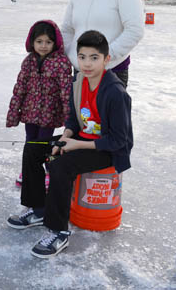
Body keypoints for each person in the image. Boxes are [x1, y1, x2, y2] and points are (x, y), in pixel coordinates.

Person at [7, 30, 133, 258]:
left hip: (107, 150)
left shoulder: (115, 93)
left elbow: (118, 140)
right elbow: (74, 119)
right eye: (82, 57)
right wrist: (66, 136)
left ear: (106, 59)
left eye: (94, 57)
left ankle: (59, 231)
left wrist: (75, 145)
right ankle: (38, 208)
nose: (87, 63)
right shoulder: (79, 82)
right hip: (82, 140)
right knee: (34, 148)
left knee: (60, 165)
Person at [6, 20, 72, 187]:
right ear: (32, 42)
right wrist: (14, 112)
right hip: (30, 111)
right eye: (39, 42)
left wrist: (69, 117)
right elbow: (20, 87)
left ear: (55, 43)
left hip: (49, 113)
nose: (43, 46)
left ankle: (50, 170)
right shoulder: (28, 62)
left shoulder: (61, 62)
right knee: (30, 142)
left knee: (46, 143)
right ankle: (28, 169)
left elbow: (66, 91)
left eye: (48, 42)